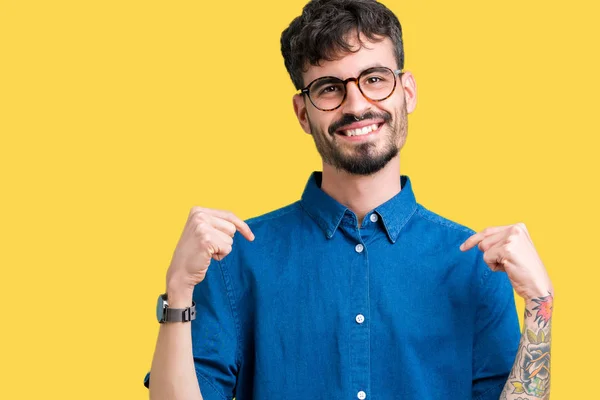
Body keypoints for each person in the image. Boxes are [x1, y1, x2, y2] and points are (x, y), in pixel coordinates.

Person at [144, 0, 554, 399]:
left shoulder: (477, 265)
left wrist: (540, 306)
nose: (357, 105)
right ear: (303, 113)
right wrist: (178, 291)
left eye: (375, 78)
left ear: (407, 91)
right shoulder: (234, 258)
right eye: (329, 88)